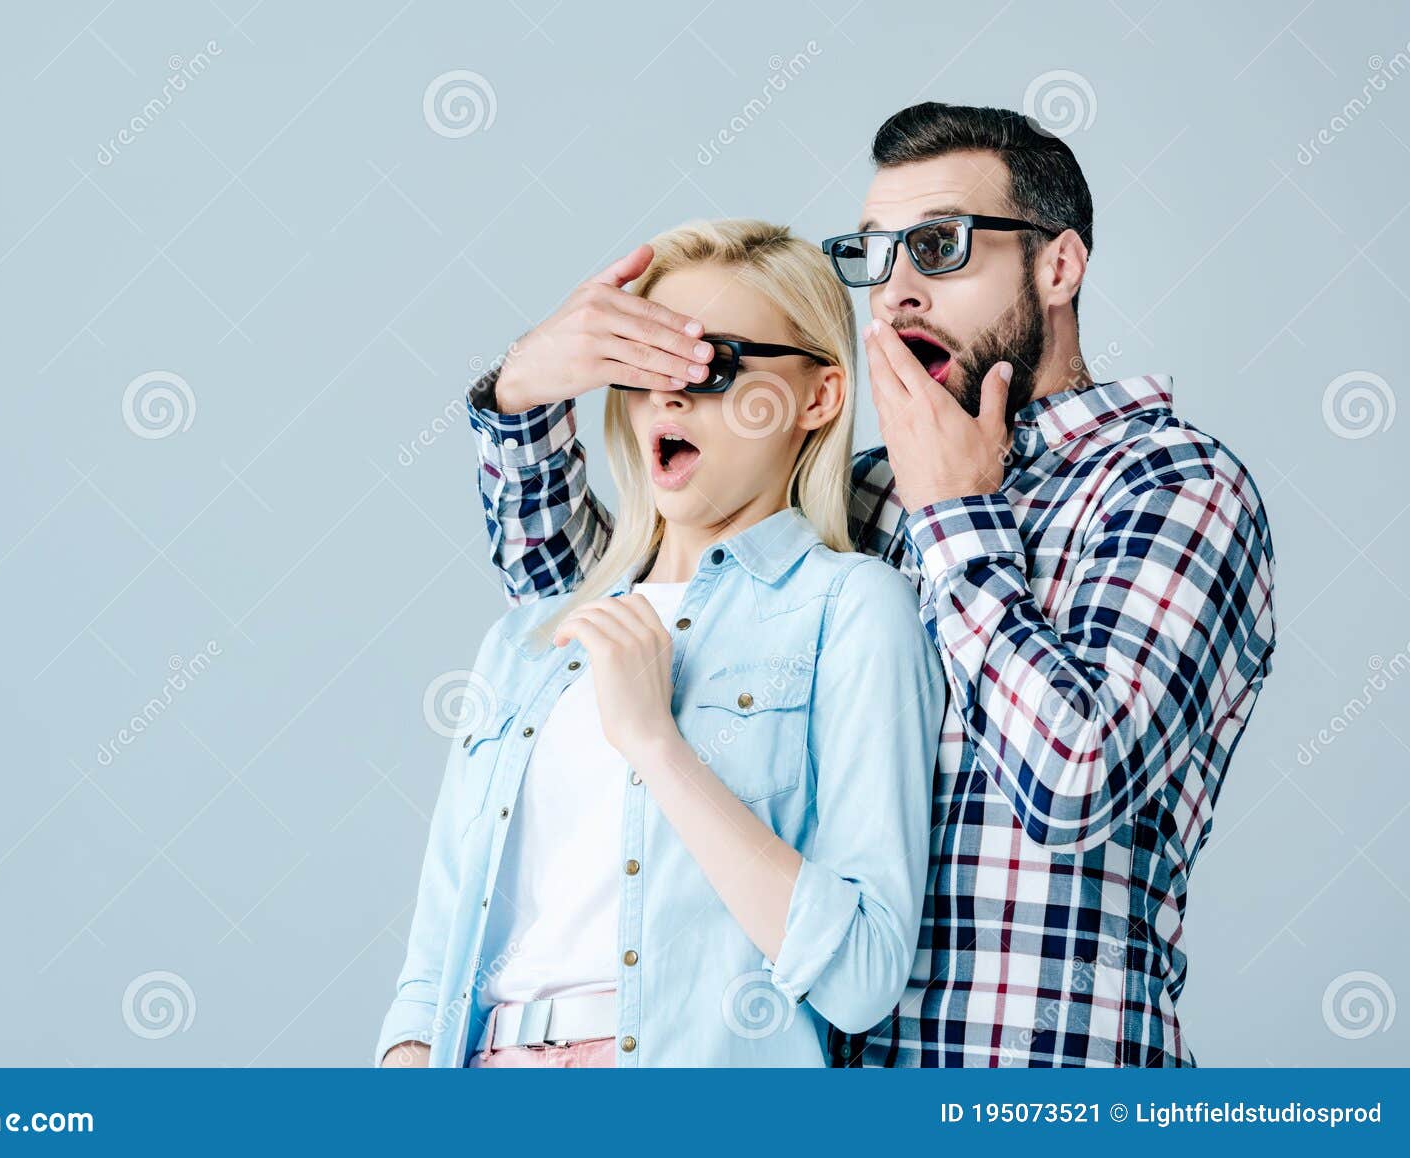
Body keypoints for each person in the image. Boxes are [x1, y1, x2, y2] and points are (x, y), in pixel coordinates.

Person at [461, 102, 1277, 1067]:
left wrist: (951, 518)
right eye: (877, 256)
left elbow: (1073, 783)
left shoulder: (1172, 482)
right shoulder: (860, 500)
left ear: (1058, 266)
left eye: (939, 247)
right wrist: (523, 393)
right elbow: (590, 606)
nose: (894, 295)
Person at [377, 219, 945, 1067]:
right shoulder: (531, 636)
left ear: (819, 397)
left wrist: (654, 741)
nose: (669, 395)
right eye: (641, 365)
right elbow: (430, 970)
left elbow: (862, 973)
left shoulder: (854, 608)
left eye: (714, 363)